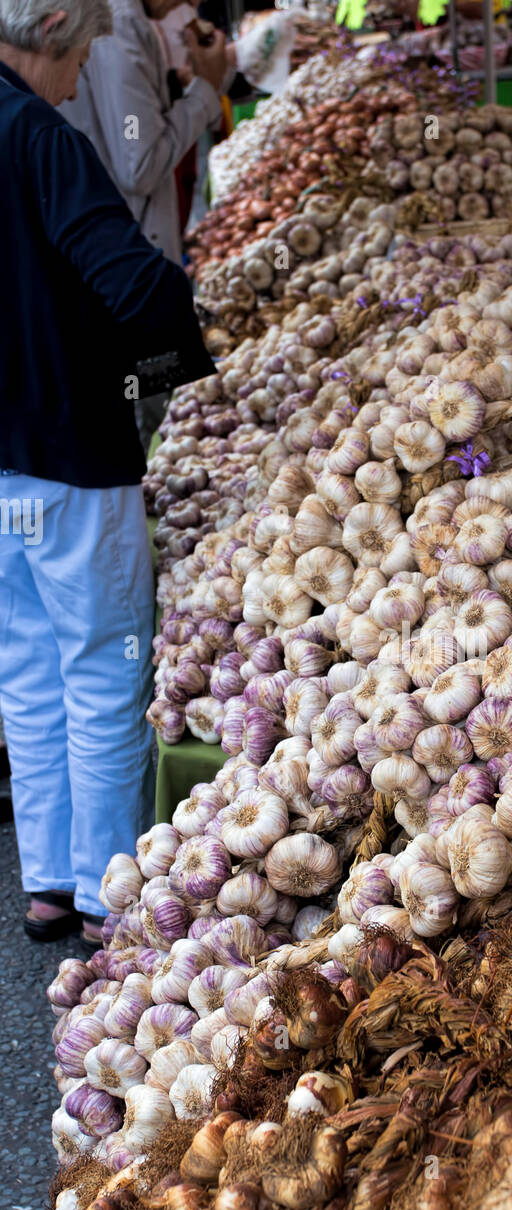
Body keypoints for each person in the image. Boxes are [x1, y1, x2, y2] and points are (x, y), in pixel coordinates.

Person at [0, 0, 215, 947]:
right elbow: (129, 278)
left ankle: (48, 883)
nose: (86, 67)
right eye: (85, 46)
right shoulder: (40, 137)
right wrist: (193, 339)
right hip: (71, 452)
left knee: (26, 671)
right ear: (51, 23)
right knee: (100, 668)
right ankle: (102, 893)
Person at [59, 0, 229, 448]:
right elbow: (138, 160)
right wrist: (205, 89)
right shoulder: (118, 28)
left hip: (131, 260)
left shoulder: (129, 22)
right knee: (149, 419)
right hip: (133, 264)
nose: (190, 4)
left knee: (154, 415)